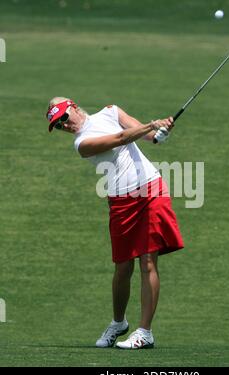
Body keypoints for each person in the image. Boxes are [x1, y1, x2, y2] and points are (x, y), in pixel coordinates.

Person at [46, 97, 184, 349]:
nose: (64, 126)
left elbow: (147, 136)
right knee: (122, 267)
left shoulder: (110, 112)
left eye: (64, 119)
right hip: (121, 202)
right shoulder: (81, 144)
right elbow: (122, 139)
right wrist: (152, 124)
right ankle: (118, 323)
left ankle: (145, 332)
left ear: (74, 108)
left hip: (151, 190)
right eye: (58, 126)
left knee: (148, 261)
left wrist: (159, 132)